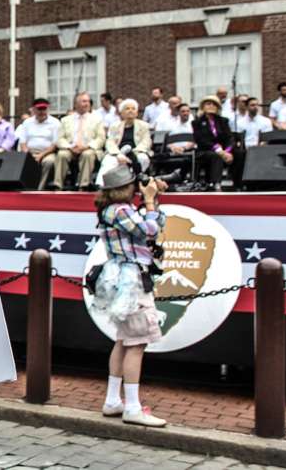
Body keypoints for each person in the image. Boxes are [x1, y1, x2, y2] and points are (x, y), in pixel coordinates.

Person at [90, 164, 168, 428]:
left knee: (124, 340)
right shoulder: (120, 210)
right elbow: (149, 231)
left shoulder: (113, 209)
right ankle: (133, 407)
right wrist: (148, 201)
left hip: (123, 276)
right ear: (124, 189)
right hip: (131, 280)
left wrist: (154, 201)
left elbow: (156, 222)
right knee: (137, 342)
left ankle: (113, 400)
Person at [55, 92, 106, 190]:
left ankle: (83, 185)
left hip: (89, 148)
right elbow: (59, 139)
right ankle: (58, 185)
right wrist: (70, 147)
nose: (87, 104)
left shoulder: (97, 119)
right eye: (83, 101)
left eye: (87, 101)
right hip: (70, 149)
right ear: (76, 104)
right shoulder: (65, 120)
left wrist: (87, 146)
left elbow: (101, 138)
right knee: (62, 154)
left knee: (87, 154)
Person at [96, 99, 152, 187]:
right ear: (121, 113)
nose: (130, 110)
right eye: (127, 108)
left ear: (137, 112)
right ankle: (101, 185)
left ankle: (132, 182)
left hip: (136, 152)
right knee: (108, 161)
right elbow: (110, 142)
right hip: (118, 153)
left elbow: (146, 142)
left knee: (143, 158)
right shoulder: (115, 126)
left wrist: (133, 154)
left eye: (133, 109)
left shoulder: (144, 126)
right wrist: (118, 154)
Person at [15, 98, 61, 189]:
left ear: (48, 109)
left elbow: (55, 144)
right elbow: (23, 142)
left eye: (44, 109)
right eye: (39, 109)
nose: (42, 112)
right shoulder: (27, 122)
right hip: (30, 151)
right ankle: (24, 187)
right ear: (34, 110)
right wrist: (29, 155)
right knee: (23, 162)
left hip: (47, 152)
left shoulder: (55, 123)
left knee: (49, 162)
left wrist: (41, 155)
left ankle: (40, 188)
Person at [193, 96, 236, 191]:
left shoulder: (223, 121)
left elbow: (230, 138)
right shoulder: (197, 122)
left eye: (214, 104)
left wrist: (227, 151)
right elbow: (201, 140)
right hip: (205, 151)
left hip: (224, 151)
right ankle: (217, 184)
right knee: (215, 156)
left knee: (239, 154)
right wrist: (219, 151)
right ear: (203, 107)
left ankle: (239, 184)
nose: (211, 106)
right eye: (208, 104)